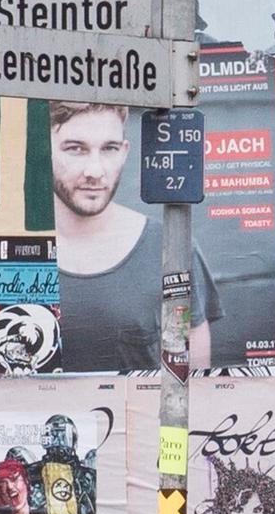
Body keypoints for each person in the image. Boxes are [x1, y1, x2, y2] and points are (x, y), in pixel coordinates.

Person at [50, 102, 218, 373]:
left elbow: (194, 383)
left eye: (109, 149)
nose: (95, 171)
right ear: (41, 148)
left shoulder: (169, 247)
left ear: (125, 152)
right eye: (75, 149)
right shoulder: (10, 246)